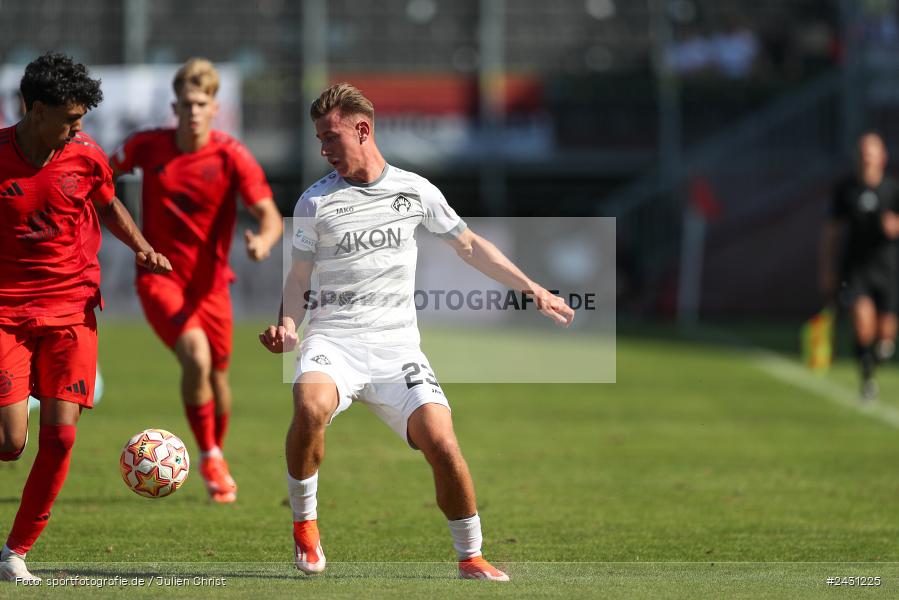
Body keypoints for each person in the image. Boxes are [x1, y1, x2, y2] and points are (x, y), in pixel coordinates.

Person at [260, 83, 575, 581]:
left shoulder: (416, 190)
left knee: (443, 443)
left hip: (397, 349)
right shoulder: (314, 203)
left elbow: (469, 245)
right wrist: (289, 326)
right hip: (333, 341)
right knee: (309, 404)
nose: (323, 150)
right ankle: (305, 525)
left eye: (330, 137)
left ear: (362, 130)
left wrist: (533, 288)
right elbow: (299, 275)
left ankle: (471, 556)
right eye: (319, 139)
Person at [0, 53, 172, 582]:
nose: (79, 129)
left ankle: (15, 553)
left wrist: (142, 246)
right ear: (34, 109)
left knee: (63, 436)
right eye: (70, 119)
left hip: (73, 306)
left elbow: (109, 203)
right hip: (6, 310)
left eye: (82, 120)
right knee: (9, 444)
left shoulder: (86, 155)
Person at [111, 58, 282, 503]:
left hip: (211, 287)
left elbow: (269, 215)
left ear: (213, 106)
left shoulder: (231, 155)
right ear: (175, 105)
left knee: (219, 378)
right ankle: (207, 453)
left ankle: (215, 452)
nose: (192, 111)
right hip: (159, 277)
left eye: (201, 103)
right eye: (185, 103)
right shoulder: (148, 145)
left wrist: (263, 241)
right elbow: (100, 179)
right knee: (197, 357)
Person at [820, 131, 899, 400]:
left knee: (886, 338)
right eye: (863, 152)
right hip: (857, 270)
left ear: (882, 157)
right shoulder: (846, 190)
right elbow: (831, 233)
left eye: (872, 152)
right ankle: (866, 378)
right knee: (863, 324)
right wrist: (828, 271)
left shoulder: (893, 189)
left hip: (888, 270)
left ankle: (873, 359)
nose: (867, 158)